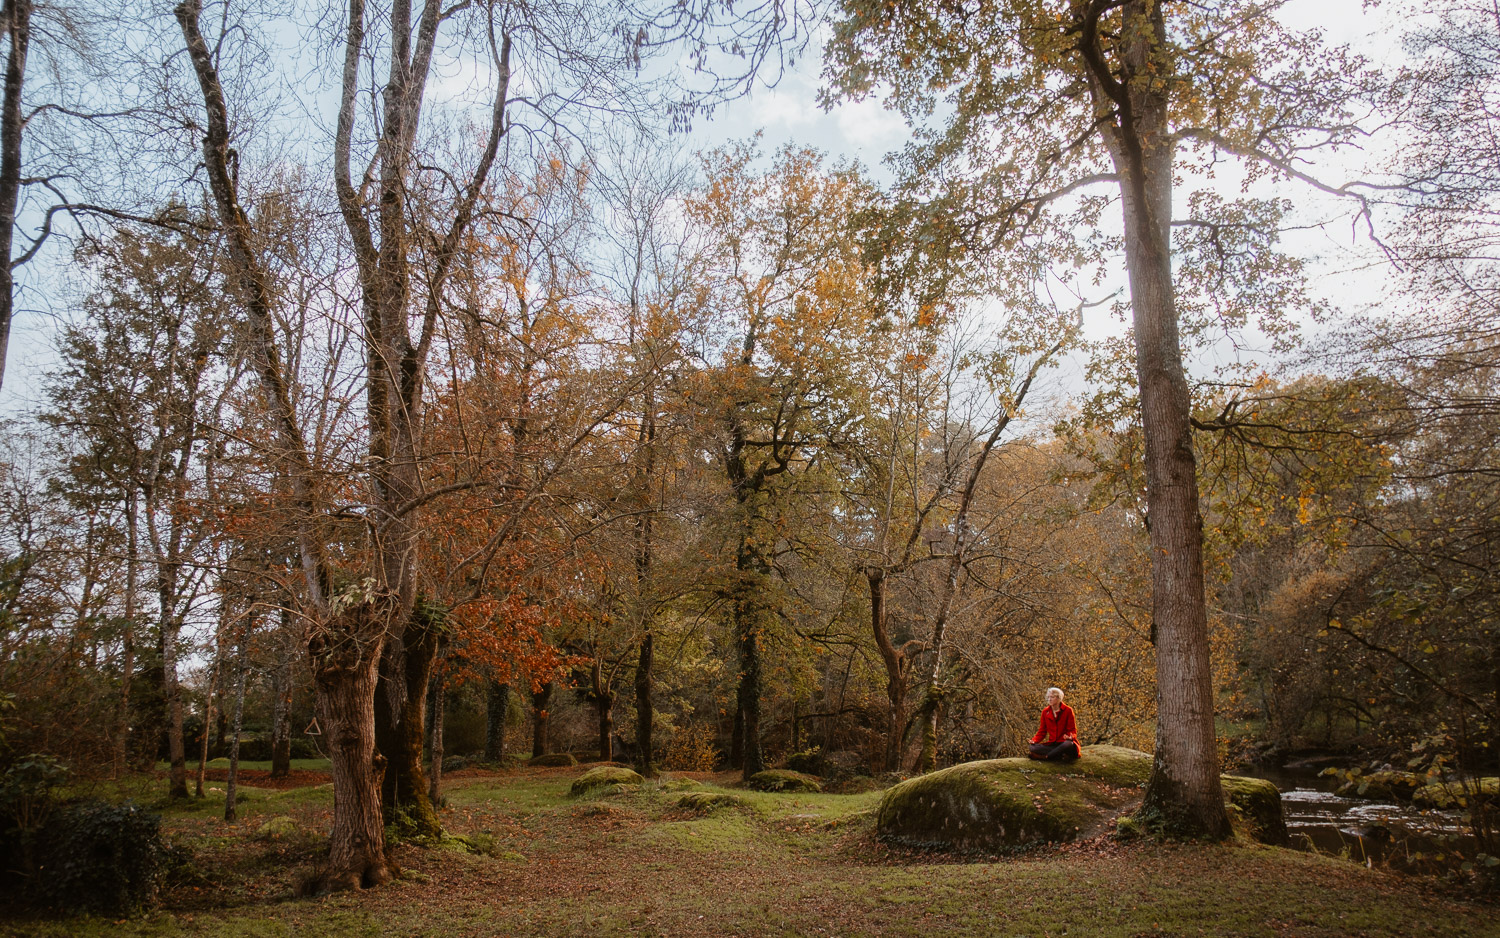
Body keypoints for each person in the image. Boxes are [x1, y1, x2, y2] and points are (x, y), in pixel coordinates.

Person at [1028, 686, 1081, 761]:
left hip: (1064, 744)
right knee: (1032, 747)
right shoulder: (1045, 712)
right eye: (1048, 697)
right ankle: (1059, 756)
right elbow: (1042, 731)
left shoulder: (1068, 710)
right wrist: (1034, 740)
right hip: (1053, 745)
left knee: (1068, 744)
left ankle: (1046, 757)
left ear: (1059, 698)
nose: (1049, 699)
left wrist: (1070, 737)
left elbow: (1072, 730)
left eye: (1052, 697)